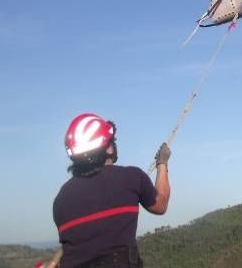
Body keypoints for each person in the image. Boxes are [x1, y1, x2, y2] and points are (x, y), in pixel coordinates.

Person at [52, 113, 171, 268]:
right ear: (108, 148)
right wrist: (162, 163)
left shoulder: (61, 199)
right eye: (112, 141)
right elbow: (160, 205)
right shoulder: (131, 177)